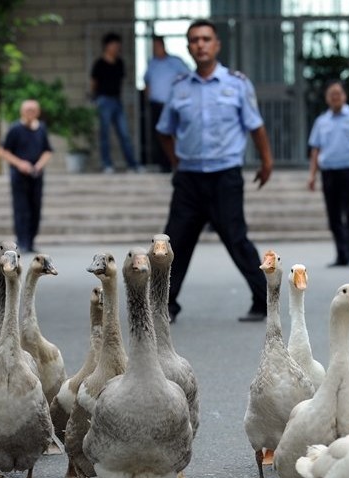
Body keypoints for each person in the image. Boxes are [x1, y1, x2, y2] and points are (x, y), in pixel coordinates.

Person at [156, 19, 273, 324]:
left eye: (206, 39)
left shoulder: (236, 83)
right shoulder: (179, 87)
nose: (201, 44)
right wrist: (176, 162)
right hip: (189, 180)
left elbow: (255, 126)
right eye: (194, 40)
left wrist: (266, 161)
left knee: (237, 239)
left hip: (225, 176)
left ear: (217, 44)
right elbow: (164, 131)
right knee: (174, 242)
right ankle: (165, 305)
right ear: (188, 46)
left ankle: (264, 302)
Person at [306, 80, 349, 269]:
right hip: (329, 172)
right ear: (327, 98)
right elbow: (315, 150)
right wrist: (312, 175)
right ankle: (341, 254)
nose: (335, 97)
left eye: (338, 93)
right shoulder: (321, 121)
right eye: (331, 94)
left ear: (344, 96)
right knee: (333, 215)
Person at [0, 99, 52, 253]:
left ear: (38, 112)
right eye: (27, 110)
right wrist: (20, 164)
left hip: (36, 175)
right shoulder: (15, 129)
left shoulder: (41, 129)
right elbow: (2, 151)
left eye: (33, 110)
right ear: (22, 112)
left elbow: (47, 151)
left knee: (35, 208)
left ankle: (31, 240)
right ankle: (23, 241)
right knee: (21, 208)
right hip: (19, 176)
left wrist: (39, 164)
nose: (30, 113)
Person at [90, 32, 143, 174]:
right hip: (104, 100)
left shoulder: (120, 62)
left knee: (124, 134)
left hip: (117, 101)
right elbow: (93, 83)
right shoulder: (99, 64)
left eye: (118, 45)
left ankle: (132, 164)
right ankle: (107, 164)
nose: (116, 48)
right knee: (105, 134)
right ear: (106, 46)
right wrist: (95, 97)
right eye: (114, 45)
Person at [143, 35, 190, 173]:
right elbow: (147, 82)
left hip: (173, 105)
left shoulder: (175, 62)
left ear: (163, 46)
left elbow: (187, 78)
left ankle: (179, 162)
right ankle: (164, 165)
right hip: (156, 105)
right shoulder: (152, 63)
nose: (154, 49)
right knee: (160, 135)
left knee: (176, 134)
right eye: (152, 47)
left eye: (156, 46)